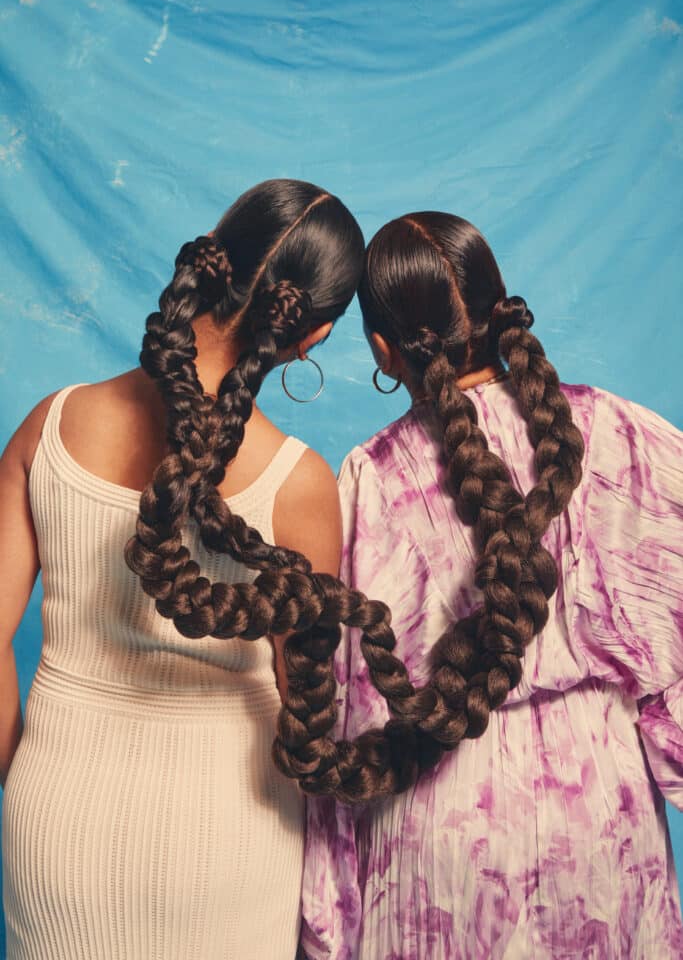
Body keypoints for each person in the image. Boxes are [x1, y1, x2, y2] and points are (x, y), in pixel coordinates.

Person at [301, 212, 683, 959]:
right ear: (499, 307)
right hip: (601, 822)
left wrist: (326, 914)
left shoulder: (370, 479)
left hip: (436, 836)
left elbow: (347, 706)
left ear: (384, 351)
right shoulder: (617, 433)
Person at [0, 178, 365, 960]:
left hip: (60, 817)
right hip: (232, 832)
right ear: (316, 335)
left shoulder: (50, 426)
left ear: (212, 264)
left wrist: (22, 790)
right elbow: (309, 705)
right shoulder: (299, 485)